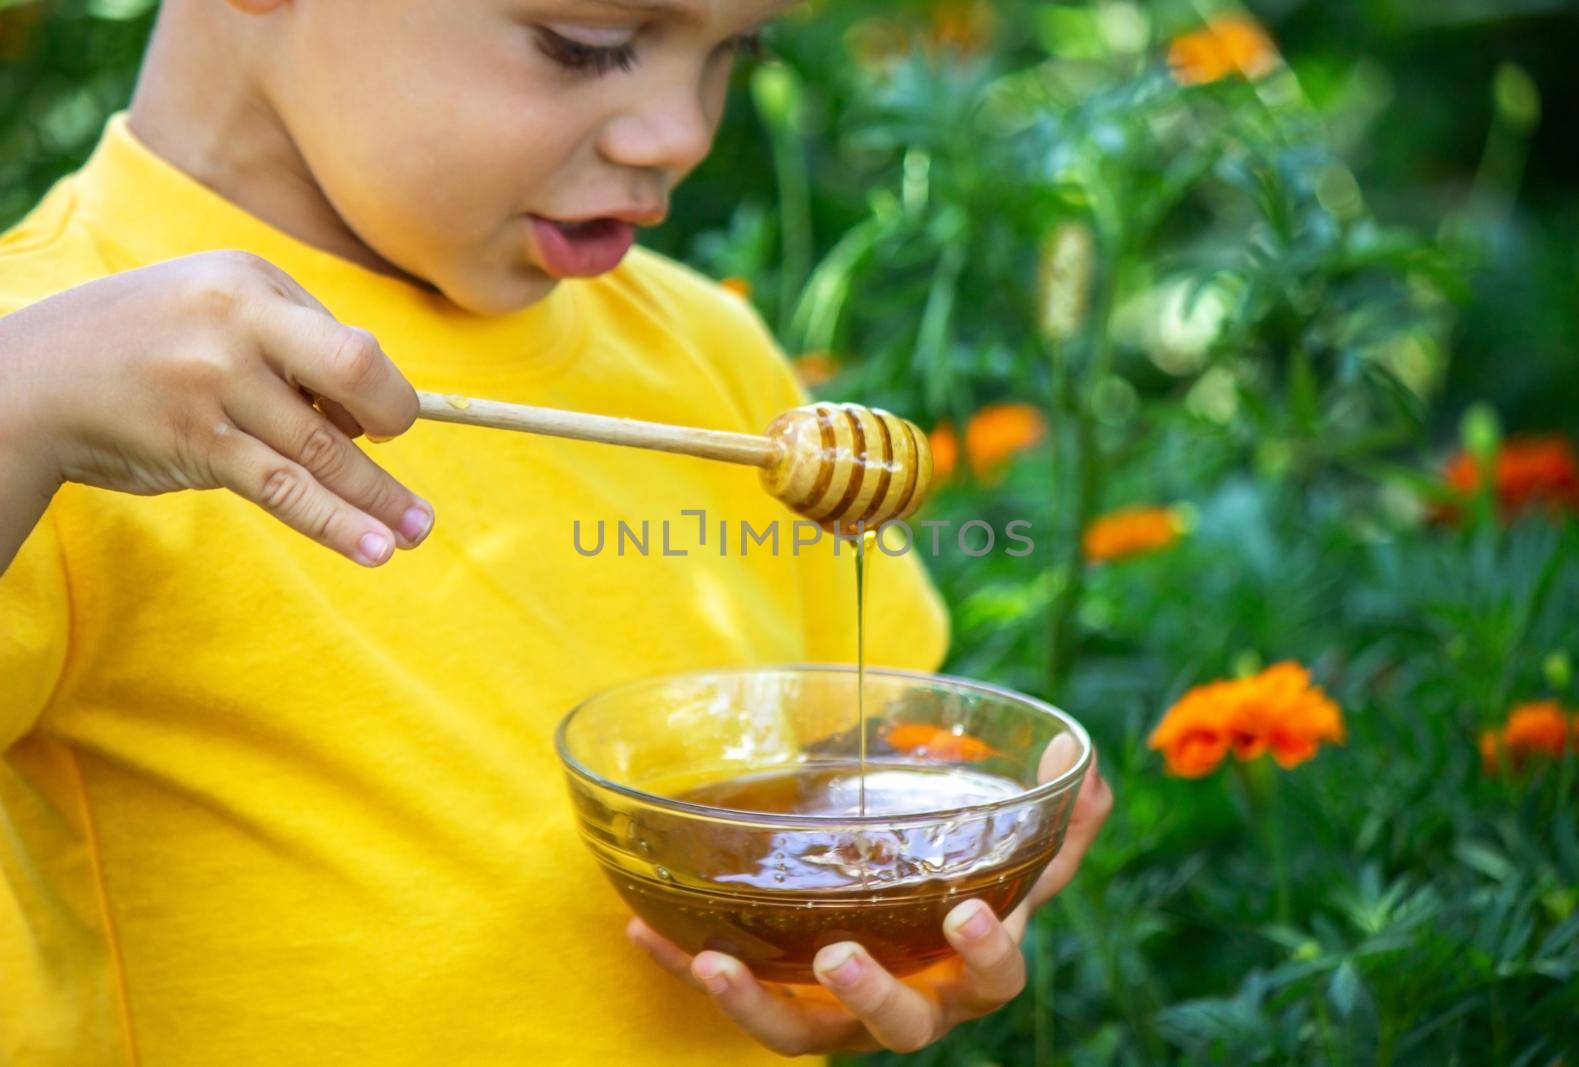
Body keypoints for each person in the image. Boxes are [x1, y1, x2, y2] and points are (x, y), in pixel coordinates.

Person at [0, 1, 1113, 1063]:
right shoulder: (51, 385)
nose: (679, 133)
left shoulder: (706, 355)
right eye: (586, 43)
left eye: (736, 49)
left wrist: (916, 906)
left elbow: (852, 769)